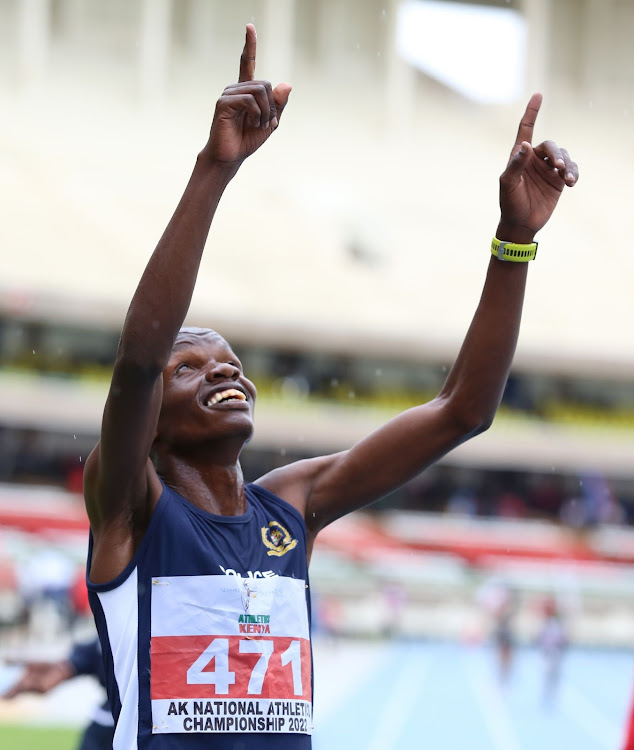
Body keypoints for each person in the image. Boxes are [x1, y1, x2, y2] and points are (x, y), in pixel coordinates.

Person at [82, 23, 578, 749]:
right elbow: (136, 359)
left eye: (230, 362)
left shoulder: (292, 510)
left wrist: (515, 241)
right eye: (190, 367)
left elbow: (462, 411)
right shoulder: (132, 508)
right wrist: (215, 169)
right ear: (150, 420)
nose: (225, 370)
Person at [2, 638, 114, 750]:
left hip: (115, 724)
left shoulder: (113, 639)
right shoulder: (102, 642)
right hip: (106, 723)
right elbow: (66, 667)